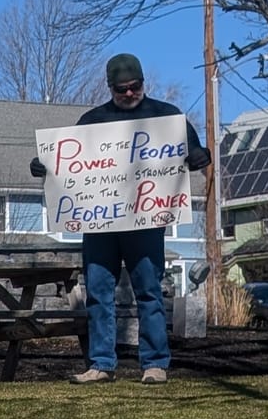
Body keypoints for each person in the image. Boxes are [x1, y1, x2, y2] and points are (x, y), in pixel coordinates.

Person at [30, 52, 211, 384]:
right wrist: (45, 165)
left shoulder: (166, 117)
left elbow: (193, 152)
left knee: (149, 290)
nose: (129, 93)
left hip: (146, 220)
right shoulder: (92, 121)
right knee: (98, 291)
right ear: (109, 87)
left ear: (143, 82)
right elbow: (68, 163)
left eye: (135, 86)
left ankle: (155, 364)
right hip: (100, 222)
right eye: (121, 89)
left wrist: (199, 155)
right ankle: (101, 363)